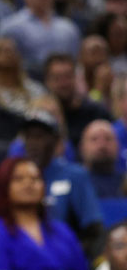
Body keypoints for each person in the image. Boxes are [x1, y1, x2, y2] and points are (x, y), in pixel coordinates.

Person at [0, 157, 89, 270]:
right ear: (3, 186)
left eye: (35, 179)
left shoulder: (62, 230)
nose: (28, 183)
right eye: (18, 179)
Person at [17, 109, 104, 258]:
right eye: (29, 137)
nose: (33, 144)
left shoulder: (74, 176)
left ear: (56, 141)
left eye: (39, 137)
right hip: (23, 255)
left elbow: (94, 231)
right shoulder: (15, 177)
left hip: (65, 258)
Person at [80, 120, 126, 198]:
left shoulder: (124, 184)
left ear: (118, 146)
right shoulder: (74, 183)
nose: (102, 145)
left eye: (108, 139)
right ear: (82, 147)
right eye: (94, 139)